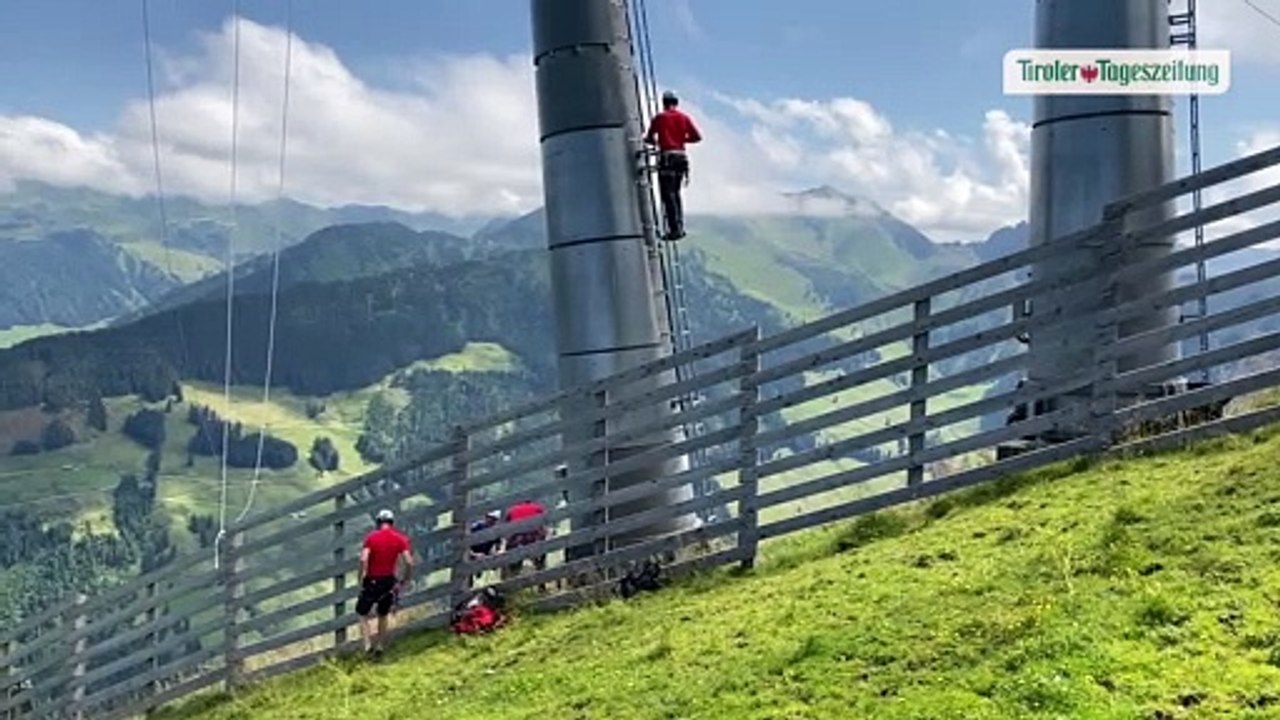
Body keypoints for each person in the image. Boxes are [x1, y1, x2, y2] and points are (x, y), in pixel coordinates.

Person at [356, 508, 414, 658]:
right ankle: (380, 646)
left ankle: (367, 645)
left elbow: (363, 559)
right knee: (383, 614)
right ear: (392, 523)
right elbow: (409, 561)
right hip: (389, 581)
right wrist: (405, 579)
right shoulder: (400, 539)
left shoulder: (371, 538)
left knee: (362, 613)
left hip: (372, 580)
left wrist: (361, 577)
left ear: (378, 523)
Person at [644, 90, 702, 240]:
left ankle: (674, 228)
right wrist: (682, 140)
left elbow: (649, 138)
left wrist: (660, 141)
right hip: (681, 158)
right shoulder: (684, 118)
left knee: (668, 195)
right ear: (676, 103)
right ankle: (679, 226)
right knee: (676, 194)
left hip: (667, 157)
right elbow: (697, 137)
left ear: (664, 103)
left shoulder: (659, 118)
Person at [501, 499, 549, 582]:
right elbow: (544, 524)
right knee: (541, 556)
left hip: (518, 539)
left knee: (509, 551)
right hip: (533, 537)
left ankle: (509, 578)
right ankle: (541, 576)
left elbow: (506, 527)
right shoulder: (538, 508)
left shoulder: (512, 510)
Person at [466, 509, 503, 587]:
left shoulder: (496, 531)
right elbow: (465, 545)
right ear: (486, 517)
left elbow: (498, 545)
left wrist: (497, 552)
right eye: (490, 518)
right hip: (472, 553)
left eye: (494, 520)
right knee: (469, 570)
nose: (492, 521)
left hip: (483, 554)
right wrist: (474, 554)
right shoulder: (476, 527)